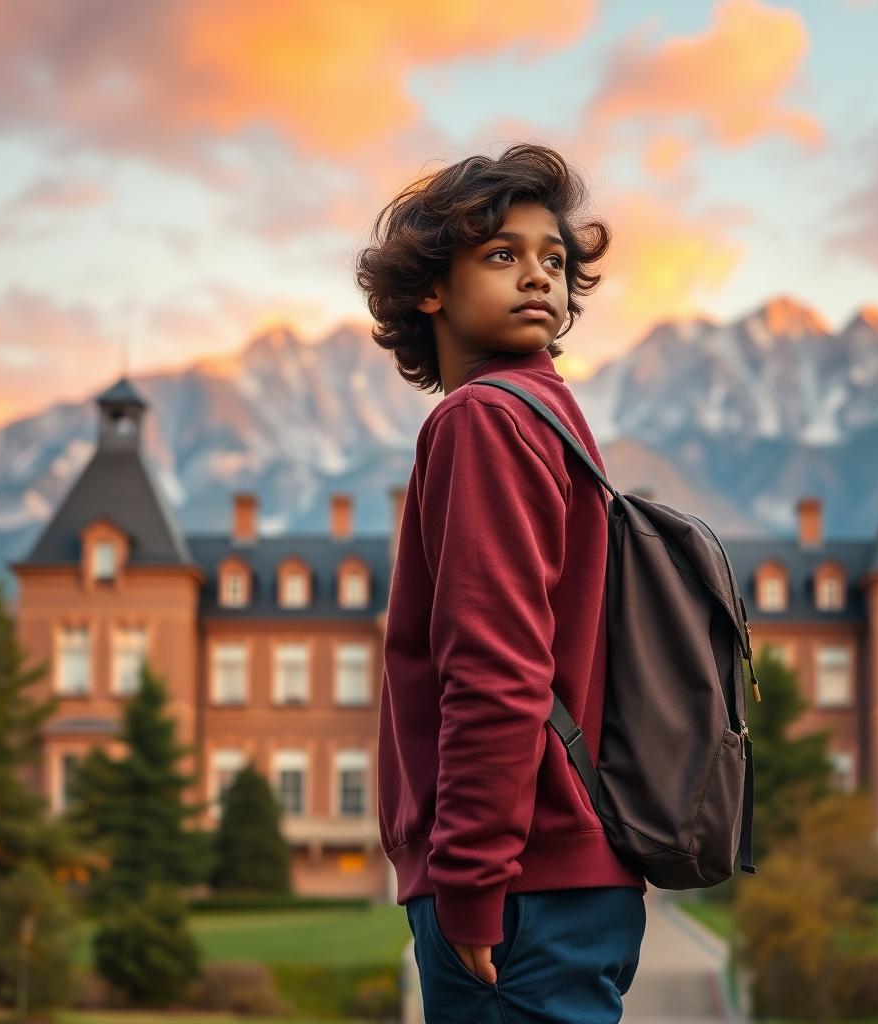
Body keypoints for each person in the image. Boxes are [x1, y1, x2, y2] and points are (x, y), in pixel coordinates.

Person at [354, 142, 647, 1023]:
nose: (538, 277)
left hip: (516, 890)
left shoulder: (484, 419)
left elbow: (496, 667)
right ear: (430, 288)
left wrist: (471, 880)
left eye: (554, 261)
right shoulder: (552, 416)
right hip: (574, 877)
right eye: (503, 255)